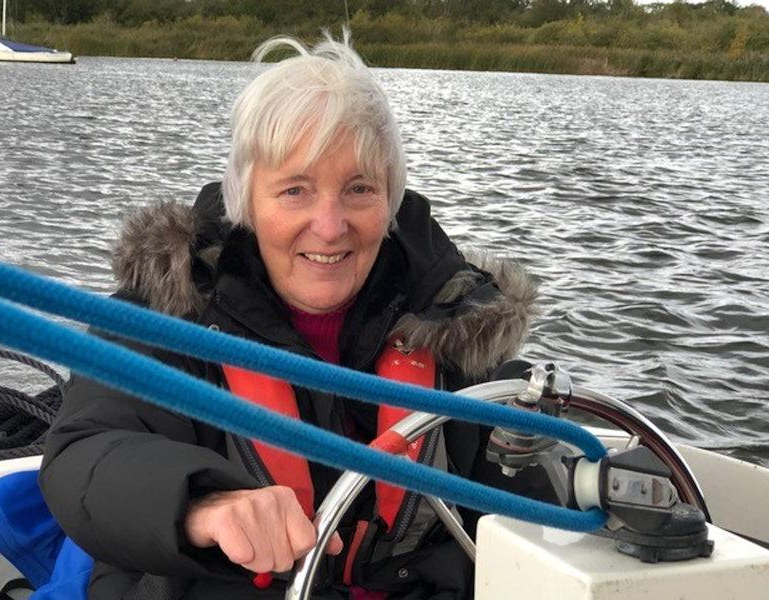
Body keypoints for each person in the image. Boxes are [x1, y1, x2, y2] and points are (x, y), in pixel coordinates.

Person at [39, 31, 540, 600]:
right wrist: (201, 505)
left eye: (358, 189)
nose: (329, 226)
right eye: (295, 191)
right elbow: (84, 456)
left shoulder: (459, 333)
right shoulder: (157, 320)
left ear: (391, 203)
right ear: (246, 202)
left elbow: (518, 489)